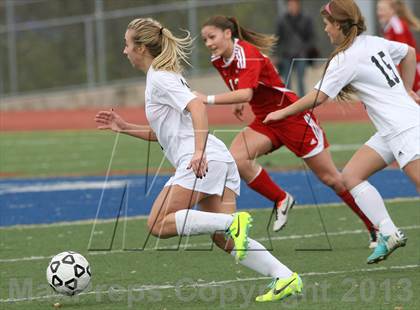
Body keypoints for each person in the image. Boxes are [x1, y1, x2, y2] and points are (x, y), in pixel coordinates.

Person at [95, 17, 302, 303]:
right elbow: (165, 133)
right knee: (222, 236)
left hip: (207, 160)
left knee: (157, 223)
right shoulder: (160, 77)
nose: (124, 50)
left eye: (127, 44)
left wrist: (198, 152)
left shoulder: (160, 78)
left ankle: (232, 222)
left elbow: (197, 107)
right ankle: (285, 277)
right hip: (216, 159)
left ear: (141, 48)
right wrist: (125, 127)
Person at [197, 15, 378, 248]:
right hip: (266, 120)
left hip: (292, 116)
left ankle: (375, 226)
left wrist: (207, 99)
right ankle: (281, 199)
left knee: (332, 179)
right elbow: (243, 89)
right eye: (204, 40)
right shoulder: (218, 59)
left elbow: (246, 93)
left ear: (228, 34)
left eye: (212, 37)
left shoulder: (246, 53)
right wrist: (239, 101)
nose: (209, 43)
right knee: (237, 159)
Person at [264, 0, 420, 264]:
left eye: (326, 24)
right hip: (392, 129)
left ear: (338, 24)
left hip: (405, 130)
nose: (325, 29)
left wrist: (281, 113)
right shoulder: (371, 41)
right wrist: (407, 90)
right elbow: (409, 53)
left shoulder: (346, 59)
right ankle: (389, 232)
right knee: (351, 176)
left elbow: (316, 98)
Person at [377, 0, 420, 94]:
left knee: (412, 97)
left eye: (382, 9)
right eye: (378, 9)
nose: (379, 13)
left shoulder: (397, 26)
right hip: (408, 67)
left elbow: (404, 52)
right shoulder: (387, 26)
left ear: (392, 11)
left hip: (413, 67)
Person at [274, 0, 316, 97]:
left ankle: (302, 103)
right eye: (290, 4)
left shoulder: (306, 18)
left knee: (300, 79)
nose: (292, 6)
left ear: (298, 5)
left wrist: (305, 49)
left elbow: (311, 37)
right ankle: (289, 101)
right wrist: (275, 55)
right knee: (287, 79)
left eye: (294, 4)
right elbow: (277, 38)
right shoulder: (282, 19)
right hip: (286, 54)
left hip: (301, 54)